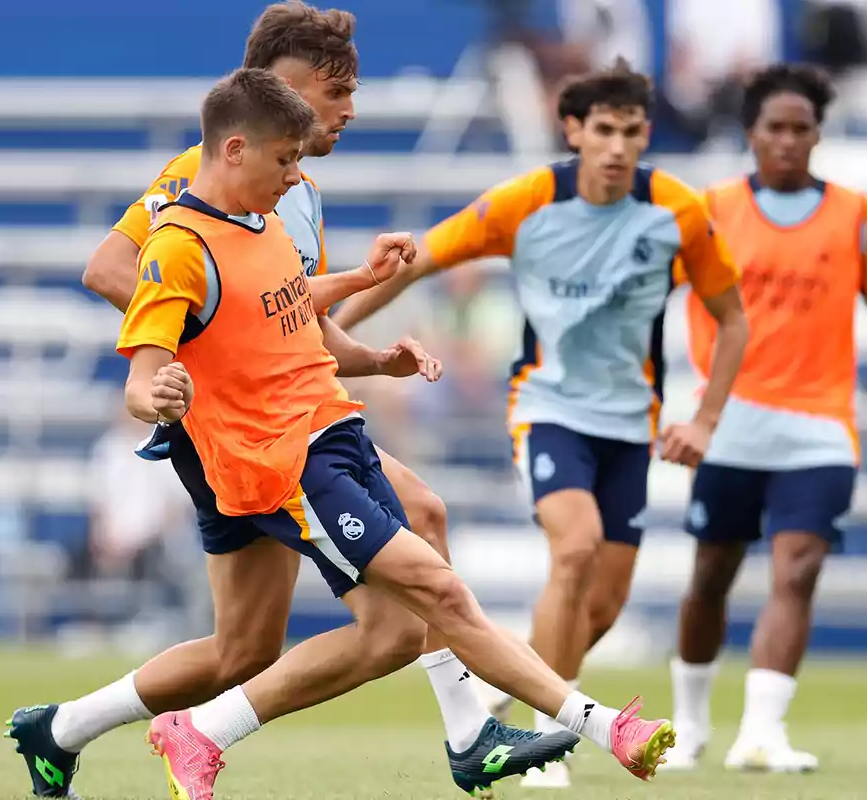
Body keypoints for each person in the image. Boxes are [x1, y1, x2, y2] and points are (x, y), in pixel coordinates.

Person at [4, 5, 544, 798]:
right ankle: (469, 733)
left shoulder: (301, 193)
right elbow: (113, 266)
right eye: (337, 91)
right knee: (420, 522)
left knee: (243, 650)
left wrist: (374, 360)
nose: (351, 109)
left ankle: (59, 730)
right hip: (238, 425)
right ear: (281, 91)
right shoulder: (200, 174)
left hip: (283, 417)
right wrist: (198, 348)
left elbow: (297, 318)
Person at [115, 67, 673, 798]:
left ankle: (204, 730)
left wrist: (361, 288)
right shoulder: (176, 248)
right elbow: (140, 374)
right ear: (233, 150)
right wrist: (155, 393)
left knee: (395, 633)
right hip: (285, 465)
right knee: (440, 591)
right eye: (285, 159)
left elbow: (282, 297)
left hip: (335, 429)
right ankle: (605, 729)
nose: (295, 175)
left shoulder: (264, 218)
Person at [333, 58, 748, 789]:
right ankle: (547, 742)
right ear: (573, 131)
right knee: (575, 546)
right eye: (603, 130)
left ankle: (514, 680)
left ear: (646, 134)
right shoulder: (527, 202)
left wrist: (708, 419)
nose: (617, 147)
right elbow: (419, 260)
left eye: (630, 132)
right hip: (548, 412)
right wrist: (329, 339)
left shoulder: (677, 213)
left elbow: (733, 319)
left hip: (629, 427)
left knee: (606, 601)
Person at [663, 63, 867, 772]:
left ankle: (761, 730)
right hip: (728, 423)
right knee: (711, 576)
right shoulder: (712, 209)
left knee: (798, 569)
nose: (788, 141)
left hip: (820, 428)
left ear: (818, 135)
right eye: (774, 128)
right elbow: (645, 301)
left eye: (802, 129)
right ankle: (691, 724)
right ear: (751, 134)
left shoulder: (855, 216)